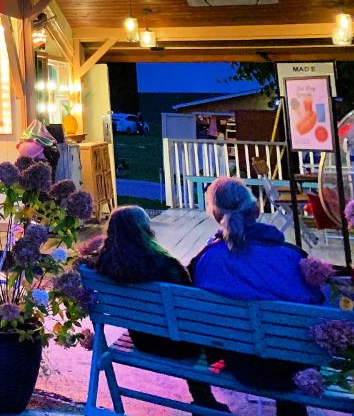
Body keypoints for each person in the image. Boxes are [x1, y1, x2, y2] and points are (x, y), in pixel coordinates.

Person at [189, 177, 323, 416]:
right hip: (292, 367)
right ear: (255, 209)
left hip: (238, 361)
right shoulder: (292, 258)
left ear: (216, 215)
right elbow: (317, 307)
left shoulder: (207, 260)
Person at [90, 206, 229, 412]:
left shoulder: (103, 266)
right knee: (203, 331)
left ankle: (204, 400)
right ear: (145, 230)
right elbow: (189, 304)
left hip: (143, 338)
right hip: (177, 344)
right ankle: (204, 400)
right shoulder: (164, 266)